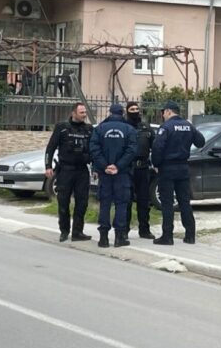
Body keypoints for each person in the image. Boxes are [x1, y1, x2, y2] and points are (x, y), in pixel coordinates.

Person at [150, 101, 205, 245]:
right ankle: (190, 235)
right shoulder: (188, 126)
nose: (163, 115)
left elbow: (157, 147)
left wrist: (156, 164)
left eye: (163, 112)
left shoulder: (166, 127)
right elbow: (201, 142)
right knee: (184, 202)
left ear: (168, 111)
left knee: (167, 203)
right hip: (183, 167)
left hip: (167, 168)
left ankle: (167, 236)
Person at [89, 104, 137, 248]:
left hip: (105, 174)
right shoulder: (129, 129)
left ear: (110, 113)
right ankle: (119, 237)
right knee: (121, 204)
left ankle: (103, 238)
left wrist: (105, 166)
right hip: (122, 173)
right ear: (123, 113)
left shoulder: (100, 129)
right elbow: (132, 150)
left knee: (105, 204)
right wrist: (118, 166)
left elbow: (94, 148)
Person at [45, 102, 93, 242]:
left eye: (85, 112)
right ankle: (64, 231)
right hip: (66, 170)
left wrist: (95, 167)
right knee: (63, 202)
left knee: (82, 202)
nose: (84, 115)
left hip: (82, 170)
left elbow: (94, 150)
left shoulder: (89, 129)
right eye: (81, 112)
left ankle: (77, 232)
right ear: (73, 113)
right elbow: (50, 148)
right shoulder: (62, 128)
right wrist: (48, 166)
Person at [125, 101, 156, 239]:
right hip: (128, 168)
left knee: (144, 201)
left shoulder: (146, 127)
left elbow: (155, 146)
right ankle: (124, 230)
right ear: (127, 111)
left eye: (137, 109)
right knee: (126, 200)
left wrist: (156, 163)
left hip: (143, 168)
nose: (135, 111)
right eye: (132, 109)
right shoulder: (124, 127)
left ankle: (144, 230)